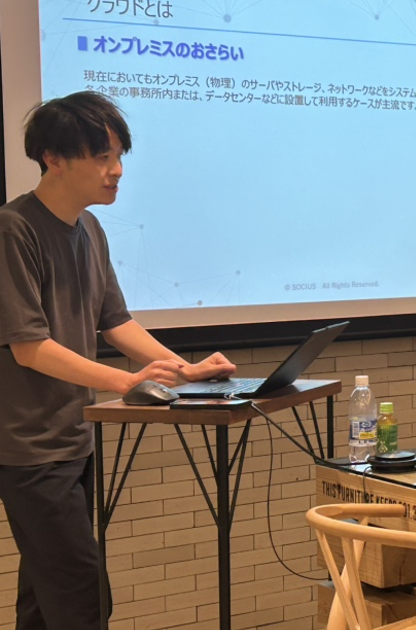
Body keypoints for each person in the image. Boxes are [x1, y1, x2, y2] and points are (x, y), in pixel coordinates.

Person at [0, 91, 236, 630]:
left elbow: (116, 322)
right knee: (83, 598)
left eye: (119, 156)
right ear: (54, 158)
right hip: (30, 449)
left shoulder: (89, 228)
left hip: (75, 437)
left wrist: (185, 371)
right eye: (102, 157)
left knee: (44, 600)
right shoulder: (14, 229)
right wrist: (126, 382)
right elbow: (29, 346)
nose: (117, 171)